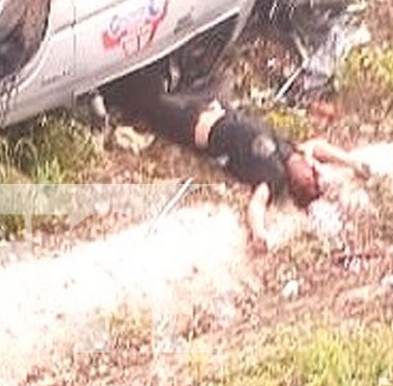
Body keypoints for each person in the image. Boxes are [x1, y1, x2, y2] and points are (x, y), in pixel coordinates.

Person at [107, 66, 370, 251]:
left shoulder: (273, 176)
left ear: (296, 184)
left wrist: (259, 233)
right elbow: (320, 147)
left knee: (148, 103)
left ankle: (108, 92)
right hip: (213, 105)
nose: (311, 169)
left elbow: (256, 205)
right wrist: (352, 162)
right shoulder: (293, 151)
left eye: (309, 179)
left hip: (195, 127)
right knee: (195, 72)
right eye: (313, 171)